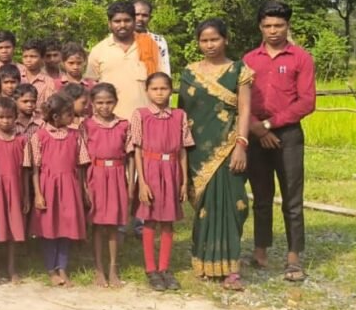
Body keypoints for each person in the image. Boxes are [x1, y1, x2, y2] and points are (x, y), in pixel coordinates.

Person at [243, 1, 316, 282]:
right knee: (261, 197)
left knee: (292, 198)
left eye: (279, 25)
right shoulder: (249, 59)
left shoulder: (301, 58)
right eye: (268, 25)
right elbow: (240, 98)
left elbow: (306, 101)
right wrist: (257, 128)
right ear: (260, 27)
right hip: (256, 134)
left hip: (288, 135)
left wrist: (270, 125)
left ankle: (294, 256)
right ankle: (260, 250)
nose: (273, 30)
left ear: (287, 26)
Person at [181, 19, 253, 290]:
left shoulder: (239, 70)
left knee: (233, 205)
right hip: (197, 150)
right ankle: (203, 262)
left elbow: (245, 110)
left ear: (226, 39)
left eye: (215, 39)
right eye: (204, 40)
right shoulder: (189, 72)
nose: (209, 45)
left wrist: (241, 145)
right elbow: (183, 114)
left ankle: (232, 270)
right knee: (204, 207)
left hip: (229, 148)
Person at [130, 72, 195, 292]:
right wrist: (142, 182)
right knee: (149, 220)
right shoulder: (140, 115)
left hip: (172, 171)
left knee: (168, 221)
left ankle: (165, 268)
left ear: (171, 90)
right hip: (150, 169)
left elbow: (183, 150)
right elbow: (137, 150)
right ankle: (151, 269)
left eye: (164, 88)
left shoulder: (179, 115)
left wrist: (184, 182)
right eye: (154, 89)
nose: (159, 93)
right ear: (147, 91)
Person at [28, 93, 89, 287]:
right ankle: (50, 269)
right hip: (48, 187)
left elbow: (81, 165)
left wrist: (82, 190)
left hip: (69, 186)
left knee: (66, 228)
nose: (72, 117)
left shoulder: (75, 135)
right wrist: (38, 194)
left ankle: (62, 267)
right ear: (56, 116)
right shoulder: (39, 136)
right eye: (68, 114)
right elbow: (35, 169)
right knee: (49, 228)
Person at [84, 83, 133, 288]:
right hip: (96, 175)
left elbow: (130, 156)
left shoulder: (124, 124)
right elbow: (82, 159)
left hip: (117, 175)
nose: (104, 107)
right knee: (97, 224)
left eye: (109, 102)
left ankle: (113, 268)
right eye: (100, 103)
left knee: (113, 224)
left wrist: (131, 184)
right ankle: (99, 270)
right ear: (92, 103)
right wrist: (85, 186)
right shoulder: (87, 125)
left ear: (116, 102)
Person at [85, 1, 161, 123]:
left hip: (145, 120)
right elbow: (91, 88)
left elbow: (160, 83)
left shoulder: (149, 46)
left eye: (127, 20)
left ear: (134, 21)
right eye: (117, 21)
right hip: (110, 124)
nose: (122, 25)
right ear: (109, 24)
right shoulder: (98, 51)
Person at [0, 97, 28, 282]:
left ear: (16, 117)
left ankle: (11, 267)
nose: (5, 121)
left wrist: (26, 195)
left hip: (16, 188)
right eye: (1, 117)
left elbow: (26, 170)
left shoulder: (22, 139)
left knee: (14, 228)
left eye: (9, 117)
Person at [134, 0, 171, 77]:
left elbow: (165, 66)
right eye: (136, 14)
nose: (140, 18)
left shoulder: (158, 40)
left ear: (150, 18)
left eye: (144, 15)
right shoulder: (122, 40)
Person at [19, 39, 55, 112]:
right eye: (25, 56)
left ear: (42, 58)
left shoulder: (49, 82)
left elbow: (49, 107)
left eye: (33, 56)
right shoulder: (17, 77)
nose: (28, 60)